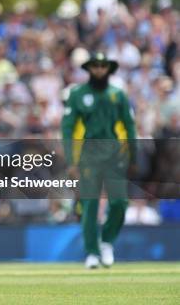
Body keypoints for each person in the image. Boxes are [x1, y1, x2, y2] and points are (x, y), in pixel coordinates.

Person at [61, 52, 136, 269]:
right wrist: (71, 161)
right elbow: (67, 128)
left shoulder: (118, 95)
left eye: (103, 66)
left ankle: (107, 242)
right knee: (89, 203)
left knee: (120, 202)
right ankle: (92, 252)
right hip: (89, 154)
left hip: (114, 153)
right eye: (95, 66)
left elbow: (130, 126)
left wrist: (133, 154)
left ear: (109, 69)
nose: (99, 70)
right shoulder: (78, 94)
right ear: (89, 69)